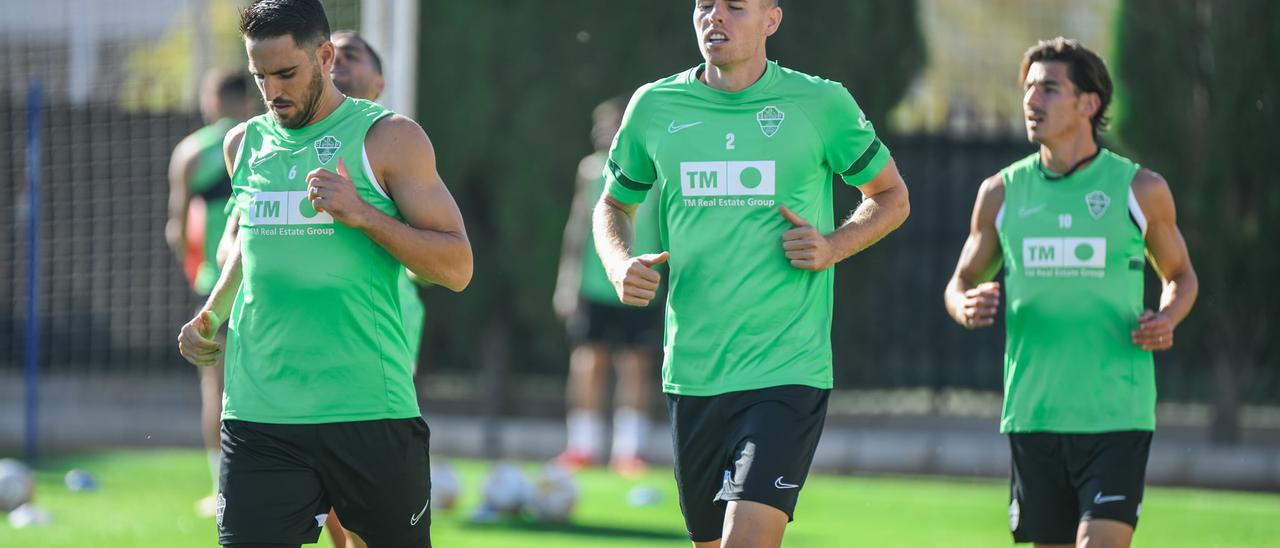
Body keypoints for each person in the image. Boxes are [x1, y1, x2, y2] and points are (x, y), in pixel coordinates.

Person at [593, 1, 910, 546]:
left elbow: (890, 196)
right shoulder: (654, 106)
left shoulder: (820, 103)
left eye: (735, 6)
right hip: (693, 372)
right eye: (703, 5)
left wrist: (833, 244)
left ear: (772, 19)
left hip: (785, 370)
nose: (715, 17)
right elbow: (612, 205)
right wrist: (620, 263)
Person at [177, 1, 472, 547]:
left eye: (286, 74)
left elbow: (456, 267)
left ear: (325, 56)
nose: (273, 91)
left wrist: (362, 215)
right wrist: (213, 313)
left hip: (368, 410)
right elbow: (247, 246)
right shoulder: (243, 145)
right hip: (259, 415)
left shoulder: (391, 138)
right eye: (260, 77)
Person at [943, 37, 1198, 548]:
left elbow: (1182, 276)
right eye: (1029, 89)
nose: (1032, 102)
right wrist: (963, 305)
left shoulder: (1139, 189)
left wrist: (1168, 317)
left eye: (1049, 89)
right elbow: (959, 282)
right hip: (1034, 414)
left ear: (1089, 103)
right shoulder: (1001, 192)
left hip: (1116, 415)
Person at [164, 68, 258, 518]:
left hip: (212, 286)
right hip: (261, 283)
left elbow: (176, 227)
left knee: (216, 390)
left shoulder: (190, 151)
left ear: (215, 100)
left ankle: (221, 486)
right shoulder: (263, 143)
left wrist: (198, 271)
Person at [553, 97, 662, 477]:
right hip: (594, 284)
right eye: (599, 124)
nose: (602, 131)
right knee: (588, 363)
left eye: (611, 124)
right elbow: (577, 227)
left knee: (635, 364)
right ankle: (581, 446)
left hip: (641, 282)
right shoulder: (589, 170)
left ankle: (628, 452)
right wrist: (566, 282)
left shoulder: (655, 170)